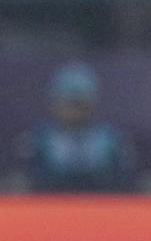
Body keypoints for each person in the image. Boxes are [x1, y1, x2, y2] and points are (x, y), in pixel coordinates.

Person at [19, 61, 136, 193]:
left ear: (92, 104)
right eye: (67, 102)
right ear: (54, 103)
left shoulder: (111, 141)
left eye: (79, 103)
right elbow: (27, 182)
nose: (73, 110)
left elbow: (124, 184)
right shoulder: (38, 141)